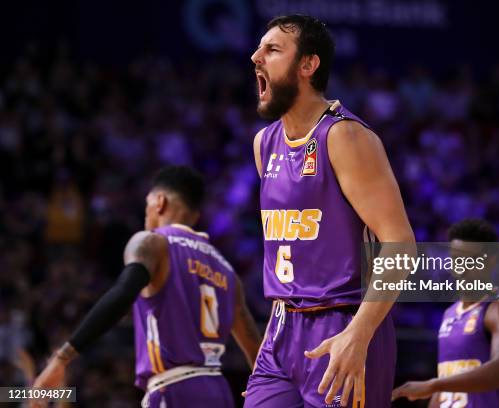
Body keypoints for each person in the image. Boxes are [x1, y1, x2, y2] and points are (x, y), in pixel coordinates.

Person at [247, 14, 416, 408]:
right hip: (281, 327)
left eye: (272, 49)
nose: (255, 57)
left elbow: (402, 245)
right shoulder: (264, 144)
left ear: (308, 64)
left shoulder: (345, 136)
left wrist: (359, 334)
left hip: (345, 321)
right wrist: (273, 338)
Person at [31, 166, 261, 407]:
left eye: (146, 206)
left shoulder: (153, 242)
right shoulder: (225, 269)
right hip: (219, 392)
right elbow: (256, 351)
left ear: (159, 202)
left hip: (174, 389)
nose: (146, 215)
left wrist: (62, 357)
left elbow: (122, 294)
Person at [392, 218, 499, 407]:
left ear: (490, 262)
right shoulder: (450, 313)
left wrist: (433, 385)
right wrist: (436, 388)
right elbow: (445, 384)